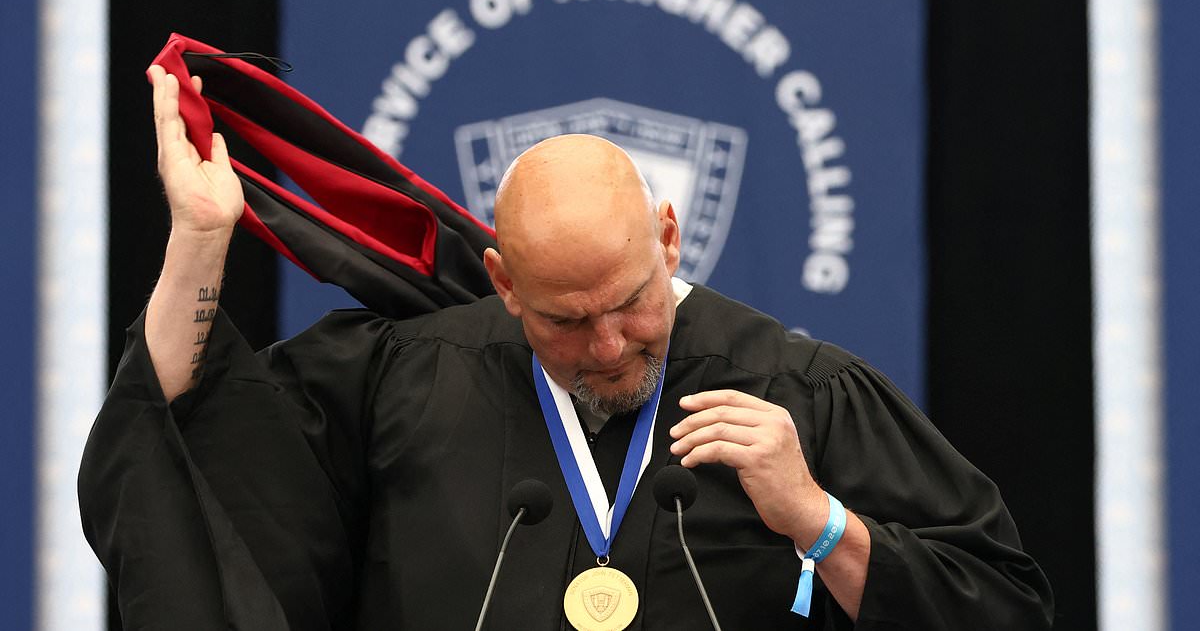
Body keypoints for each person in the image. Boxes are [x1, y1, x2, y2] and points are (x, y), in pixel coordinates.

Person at [79, 66, 1054, 630]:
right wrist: (201, 241)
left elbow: (1003, 609)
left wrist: (819, 520)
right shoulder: (401, 378)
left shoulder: (802, 391)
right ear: (503, 282)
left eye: (630, 303)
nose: (607, 344)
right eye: (562, 319)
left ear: (670, 240)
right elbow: (185, 444)